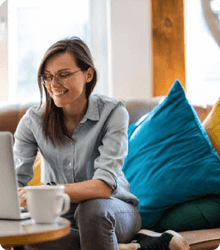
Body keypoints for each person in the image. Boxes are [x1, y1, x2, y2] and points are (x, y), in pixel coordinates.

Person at [15, 37, 189, 250]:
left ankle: (115, 239)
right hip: (59, 217)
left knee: (91, 210)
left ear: (88, 74)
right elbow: (15, 181)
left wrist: (51, 191)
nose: (53, 85)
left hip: (113, 210)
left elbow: (103, 187)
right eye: (48, 77)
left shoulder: (113, 112)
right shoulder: (33, 121)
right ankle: (140, 245)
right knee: (30, 238)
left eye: (63, 75)